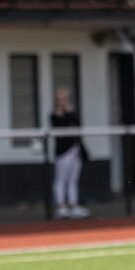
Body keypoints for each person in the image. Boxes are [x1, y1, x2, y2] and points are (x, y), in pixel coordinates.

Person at [50, 88, 89, 218]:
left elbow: (77, 125)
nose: (63, 102)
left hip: (75, 150)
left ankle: (73, 205)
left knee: (73, 180)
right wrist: (62, 113)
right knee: (60, 179)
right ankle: (61, 205)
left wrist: (70, 112)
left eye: (65, 99)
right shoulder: (54, 115)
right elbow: (60, 126)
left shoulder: (71, 113)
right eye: (60, 99)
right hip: (63, 152)